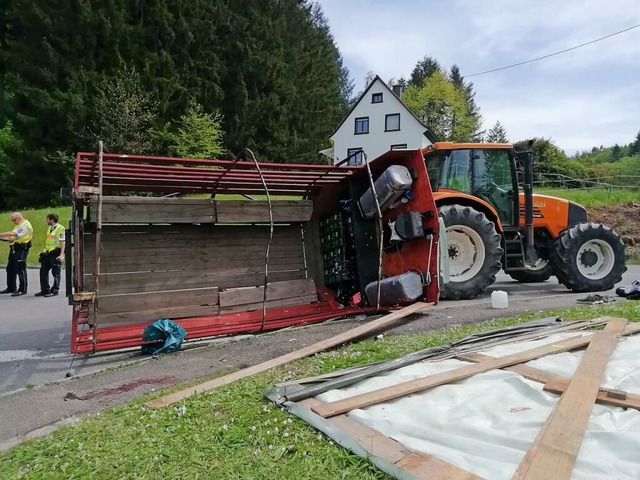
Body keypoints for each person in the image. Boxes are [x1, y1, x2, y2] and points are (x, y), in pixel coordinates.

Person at [0, 212, 34, 296]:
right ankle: (11, 287)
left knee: (20, 269)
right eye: (12, 220)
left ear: (19, 217)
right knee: (10, 268)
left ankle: (22, 289)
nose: (13, 221)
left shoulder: (25, 225)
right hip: (14, 248)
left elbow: (14, 234)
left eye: (14, 220)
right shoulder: (18, 225)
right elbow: (12, 238)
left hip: (21, 249)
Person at [35, 213, 66, 297]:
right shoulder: (49, 228)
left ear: (52, 220)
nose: (47, 221)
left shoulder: (61, 228)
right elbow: (49, 241)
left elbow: (62, 242)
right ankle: (45, 290)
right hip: (48, 252)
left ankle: (55, 290)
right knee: (43, 271)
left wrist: (62, 254)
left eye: (48, 219)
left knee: (55, 272)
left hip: (56, 252)